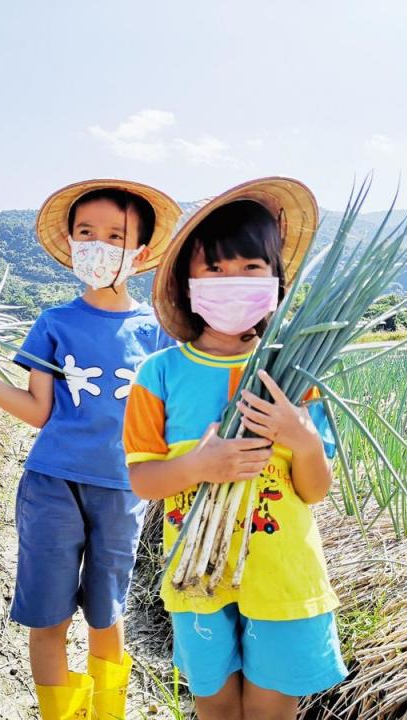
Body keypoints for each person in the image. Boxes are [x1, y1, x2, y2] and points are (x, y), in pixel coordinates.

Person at [0, 179, 181, 719]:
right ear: (72, 246)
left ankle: (107, 713)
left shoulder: (159, 333)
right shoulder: (54, 323)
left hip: (124, 489)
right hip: (52, 483)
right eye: (87, 233)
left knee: (107, 613)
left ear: (140, 252)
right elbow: (39, 411)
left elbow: (175, 418)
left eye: (115, 235)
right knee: (48, 616)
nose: (99, 245)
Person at [123, 178, 348, 720]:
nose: (233, 282)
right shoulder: (160, 374)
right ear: (187, 283)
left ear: (275, 280)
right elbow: (143, 481)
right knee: (217, 707)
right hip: (198, 578)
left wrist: (301, 436)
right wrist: (200, 465)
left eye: (251, 268)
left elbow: (315, 490)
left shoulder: (297, 376)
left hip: (282, 577)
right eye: (215, 270)